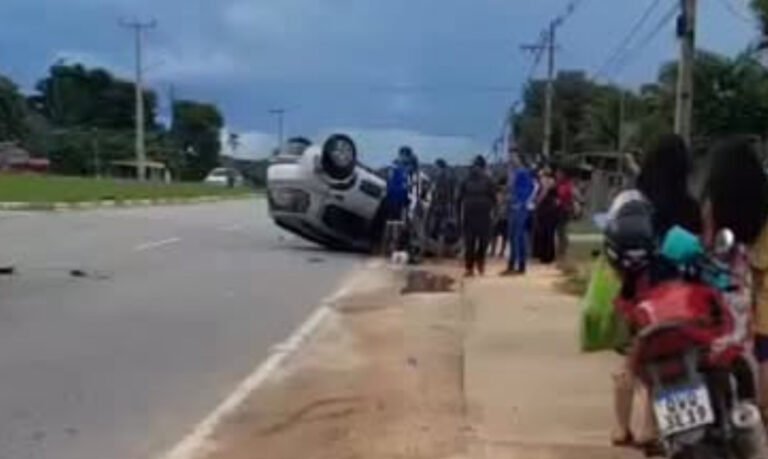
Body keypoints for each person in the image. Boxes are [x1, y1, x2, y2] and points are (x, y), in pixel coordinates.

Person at [608, 134, 702, 451]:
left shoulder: (636, 202)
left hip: (640, 289)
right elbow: (700, 248)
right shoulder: (689, 207)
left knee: (634, 357)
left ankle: (621, 428)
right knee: (668, 357)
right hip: (680, 293)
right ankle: (651, 428)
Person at [702, 137, 768, 420]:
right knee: (756, 350)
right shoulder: (762, 199)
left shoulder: (713, 204)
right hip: (751, 285)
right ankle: (759, 409)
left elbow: (706, 244)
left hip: (716, 288)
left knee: (714, 349)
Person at [458, 155, 496, 277]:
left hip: (484, 216)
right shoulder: (465, 181)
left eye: (477, 166)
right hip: (469, 216)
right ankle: (469, 267)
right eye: (473, 166)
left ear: (482, 168)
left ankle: (480, 260)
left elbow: (494, 198)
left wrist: (494, 213)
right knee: (469, 243)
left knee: (483, 242)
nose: (475, 169)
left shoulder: (488, 181)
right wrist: (458, 215)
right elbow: (459, 199)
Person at [502, 154, 536, 275]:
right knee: (514, 236)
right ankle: (517, 264)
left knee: (517, 236)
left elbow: (531, 188)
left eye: (513, 158)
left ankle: (516, 264)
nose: (511, 160)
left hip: (519, 208)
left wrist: (522, 202)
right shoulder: (515, 172)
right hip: (514, 206)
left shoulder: (522, 172)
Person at [532, 167, 558, 264]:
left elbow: (544, 192)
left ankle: (546, 255)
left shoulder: (547, 181)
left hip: (546, 209)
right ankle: (548, 254)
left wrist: (537, 202)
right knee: (547, 232)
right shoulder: (551, 181)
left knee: (545, 232)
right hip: (548, 209)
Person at [429, 158, 457, 246]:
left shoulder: (443, 178)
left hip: (442, 205)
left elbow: (443, 193)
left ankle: (439, 246)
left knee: (441, 226)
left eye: (435, 167)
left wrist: (435, 199)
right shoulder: (446, 177)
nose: (434, 169)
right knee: (439, 226)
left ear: (440, 167)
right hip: (443, 204)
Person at [555, 167, 575, 260]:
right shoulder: (558, 184)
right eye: (556, 173)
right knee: (559, 230)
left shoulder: (567, 185)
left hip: (564, 210)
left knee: (561, 230)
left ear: (563, 174)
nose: (557, 175)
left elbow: (566, 196)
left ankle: (563, 248)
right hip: (559, 210)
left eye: (559, 173)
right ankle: (561, 247)